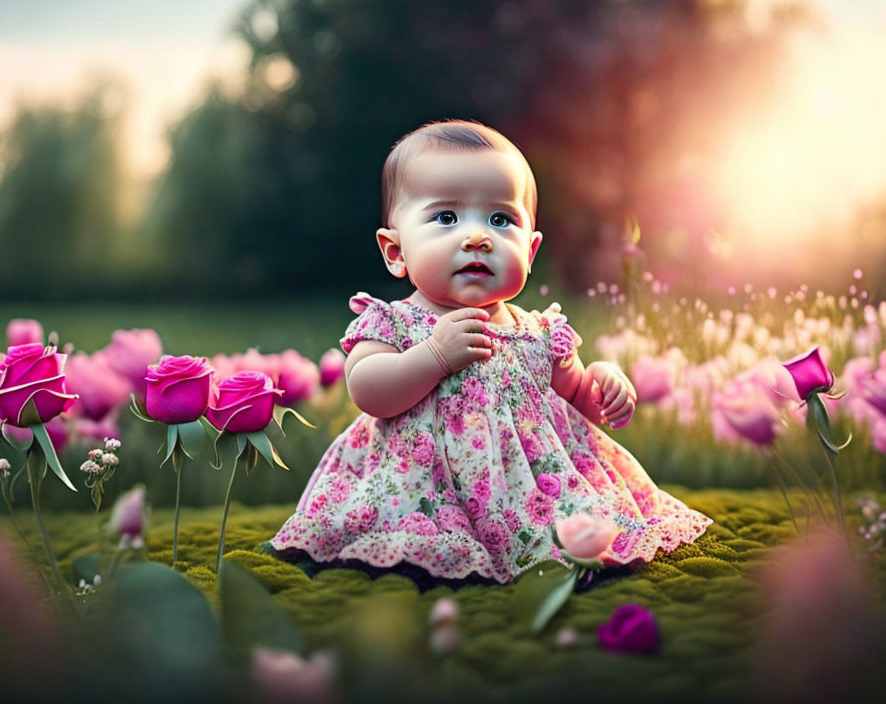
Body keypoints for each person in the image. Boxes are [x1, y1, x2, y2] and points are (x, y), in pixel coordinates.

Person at [268, 120, 712, 586]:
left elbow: (580, 397)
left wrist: (602, 381)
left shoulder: (539, 331)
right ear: (395, 251)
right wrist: (433, 357)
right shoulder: (393, 323)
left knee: (577, 541)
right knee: (414, 550)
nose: (477, 237)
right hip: (424, 495)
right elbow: (368, 390)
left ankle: (546, 551)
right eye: (446, 218)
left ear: (531, 250)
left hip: (527, 498)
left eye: (501, 220)